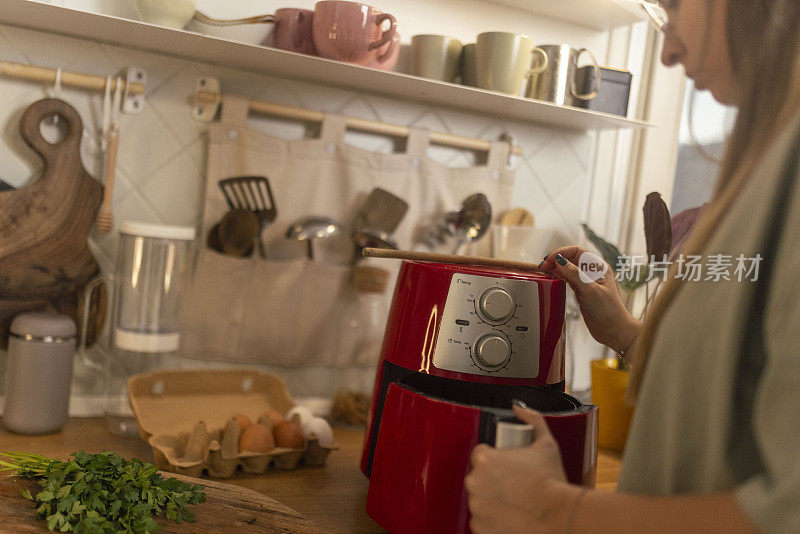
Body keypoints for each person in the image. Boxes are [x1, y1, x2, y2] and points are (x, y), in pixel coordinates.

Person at [465, 0, 800, 532]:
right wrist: (625, 333)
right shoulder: (768, 154)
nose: (666, 51)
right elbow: (744, 389)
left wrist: (556, 511)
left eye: (673, 7)